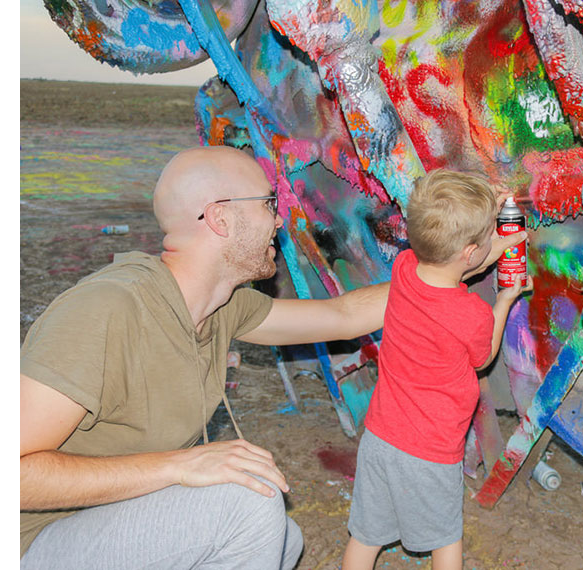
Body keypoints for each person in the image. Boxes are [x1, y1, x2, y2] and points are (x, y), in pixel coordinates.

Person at [19, 146, 524, 569]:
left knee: (284, 542)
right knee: (246, 508)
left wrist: (456, 260)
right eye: (267, 203)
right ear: (220, 217)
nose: (278, 218)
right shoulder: (107, 310)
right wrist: (176, 466)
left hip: (111, 517)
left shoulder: (220, 304)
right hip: (42, 540)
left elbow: (343, 315)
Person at [341, 169, 531, 570]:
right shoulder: (471, 314)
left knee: (366, 535)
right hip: (430, 452)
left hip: (379, 438)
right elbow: (483, 357)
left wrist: (481, 230)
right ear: (469, 252)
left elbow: (453, 262)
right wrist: (505, 299)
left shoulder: (405, 269)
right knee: (445, 539)